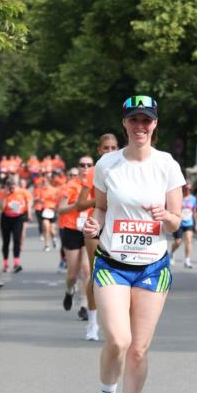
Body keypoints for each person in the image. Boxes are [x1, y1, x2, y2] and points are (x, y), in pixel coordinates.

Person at [83, 96, 185, 393]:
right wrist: (93, 226)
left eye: (147, 120)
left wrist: (165, 216)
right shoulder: (108, 164)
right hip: (113, 263)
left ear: (155, 125)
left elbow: (176, 222)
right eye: (134, 120)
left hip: (152, 267)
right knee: (118, 339)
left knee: (139, 348)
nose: (140, 126)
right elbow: (99, 208)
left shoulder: (167, 164)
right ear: (124, 123)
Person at [75, 133, 120, 340]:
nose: (109, 151)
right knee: (96, 273)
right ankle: (92, 323)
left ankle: (116, 323)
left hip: (119, 227)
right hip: (95, 225)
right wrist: (101, 202)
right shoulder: (93, 172)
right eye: (106, 148)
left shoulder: (124, 167)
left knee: (120, 274)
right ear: (99, 150)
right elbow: (79, 204)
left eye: (113, 148)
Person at [56, 166, 90, 315]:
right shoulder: (70, 186)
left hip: (89, 229)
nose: (85, 168)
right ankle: (69, 290)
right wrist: (76, 205)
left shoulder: (96, 185)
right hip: (71, 230)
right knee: (72, 275)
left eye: (89, 165)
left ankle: (84, 305)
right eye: (82, 165)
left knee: (86, 270)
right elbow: (61, 209)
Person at [0, 175, 31, 272]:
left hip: (18, 218)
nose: (12, 187)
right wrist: (6, 196)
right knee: (6, 241)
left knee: (17, 240)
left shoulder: (22, 192)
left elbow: (27, 202)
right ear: (6, 186)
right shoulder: (3, 193)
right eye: (9, 185)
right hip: (6, 218)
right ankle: (5, 263)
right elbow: (1, 208)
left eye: (13, 185)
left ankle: (16, 263)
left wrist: (28, 213)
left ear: (16, 185)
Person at [170, 182, 197, 268]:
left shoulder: (193, 199)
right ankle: (171, 253)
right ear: (183, 189)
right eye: (186, 188)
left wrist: (196, 224)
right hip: (179, 223)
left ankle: (187, 260)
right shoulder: (179, 198)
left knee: (189, 240)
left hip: (189, 223)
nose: (187, 190)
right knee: (178, 241)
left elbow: (194, 212)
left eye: (189, 189)